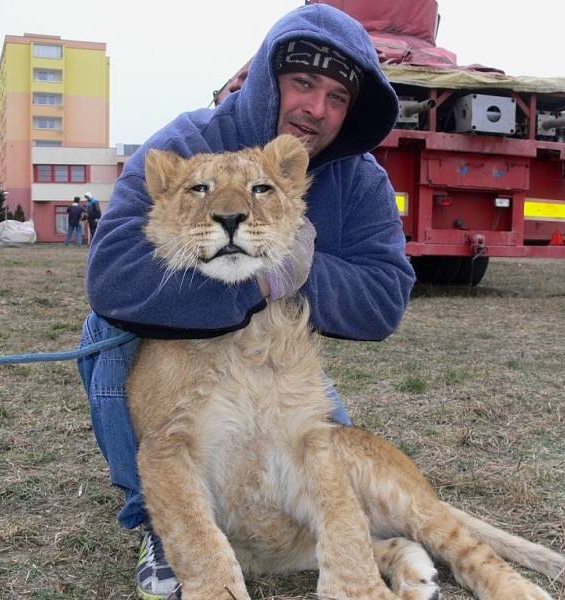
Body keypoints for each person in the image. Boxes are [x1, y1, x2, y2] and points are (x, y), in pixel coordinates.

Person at [77, 4, 414, 599]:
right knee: (105, 332)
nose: (317, 108)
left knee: (324, 466)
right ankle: (163, 520)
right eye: (303, 82)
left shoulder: (360, 180)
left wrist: (303, 270)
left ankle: (316, 535)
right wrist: (259, 275)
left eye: (338, 97)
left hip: (271, 362)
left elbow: (384, 299)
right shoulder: (189, 141)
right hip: (182, 353)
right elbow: (114, 275)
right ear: (266, 77)